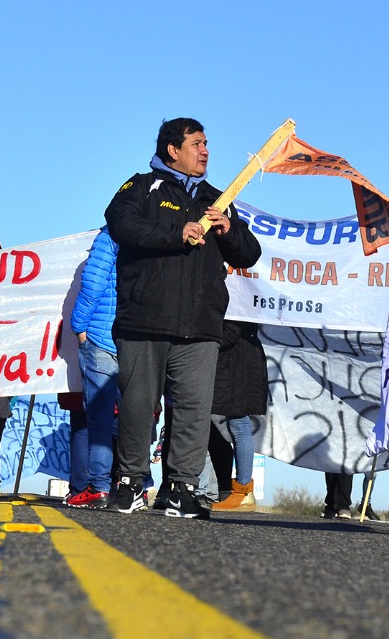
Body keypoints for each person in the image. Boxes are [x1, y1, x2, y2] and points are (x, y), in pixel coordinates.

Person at [104, 117, 262, 518]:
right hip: (144, 322)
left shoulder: (217, 198)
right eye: (196, 143)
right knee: (139, 406)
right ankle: (130, 482)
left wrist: (227, 230)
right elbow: (121, 223)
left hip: (201, 327)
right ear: (173, 150)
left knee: (194, 410)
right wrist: (176, 232)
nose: (205, 150)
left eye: (207, 142)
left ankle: (183, 488)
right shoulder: (141, 187)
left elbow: (249, 254)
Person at [66, 225, 120, 509]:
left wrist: (79, 325)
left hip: (102, 336)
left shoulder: (111, 235)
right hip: (139, 338)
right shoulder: (158, 233)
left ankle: (99, 486)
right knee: (134, 414)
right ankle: (134, 484)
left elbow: (94, 282)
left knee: (99, 416)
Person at [209, 320, 267, 512]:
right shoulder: (244, 295)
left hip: (237, 363)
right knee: (237, 424)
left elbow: (231, 332)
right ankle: (242, 491)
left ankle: (243, 491)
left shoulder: (238, 297)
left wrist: (204, 342)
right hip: (238, 361)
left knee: (238, 424)